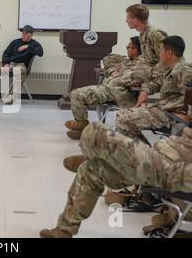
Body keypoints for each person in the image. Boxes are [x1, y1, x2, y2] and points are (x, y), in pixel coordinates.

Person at [39, 120, 192, 238]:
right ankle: (64, 231)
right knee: (90, 170)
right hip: (168, 154)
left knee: (94, 132)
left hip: (176, 172)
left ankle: (97, 156)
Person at [65, 37, 151, 140]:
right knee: (76, 94)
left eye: (128, 47)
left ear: (135, 50)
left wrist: (117, 75)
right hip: (106, 89)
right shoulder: (127, 61)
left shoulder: (142, 65)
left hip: (122, 94)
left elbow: (140, 79)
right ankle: (81, 125)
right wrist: (112, 72)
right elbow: (109, 65)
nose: (127, 49)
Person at [115, 36, 192, 143]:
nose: (159, 54)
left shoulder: (185, 71)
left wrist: (171, 108)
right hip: (163, 110)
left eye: (161, 51)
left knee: (123, 119)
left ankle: (143, 154)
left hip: (170, 114)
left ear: (169, 53)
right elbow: (156, 83)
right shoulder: (172, 68)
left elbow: (188, 100)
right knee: (122, 115)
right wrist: (145, 91)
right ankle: (146, 153)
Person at [0, 25, 43, 105]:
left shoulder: (34, 44)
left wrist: (27, 46)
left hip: (20, 65)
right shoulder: (15, 42)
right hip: (8, 63)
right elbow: (6, 53)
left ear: (31, 34)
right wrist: (5, 64)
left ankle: (12, 97)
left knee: (20, 71)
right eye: (23, 33)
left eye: (26, 33)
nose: (24, 35)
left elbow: (40, 53)